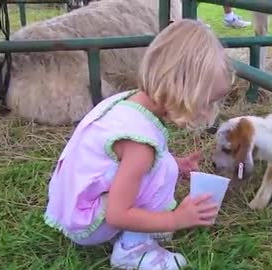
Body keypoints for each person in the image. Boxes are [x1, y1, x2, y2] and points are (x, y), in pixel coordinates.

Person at [43, 19, 234, 270]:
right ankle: (133, 250)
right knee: (160, 168)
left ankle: (142, 228)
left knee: (163, 164)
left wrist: (176, 164)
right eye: (206, 102)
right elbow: (118, 214)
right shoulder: (141, 146)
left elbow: (120, 162)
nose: (208, 111)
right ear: (181, 89)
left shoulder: (126, 102)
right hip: (89, 223)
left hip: (73, 205)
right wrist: (176, 218)